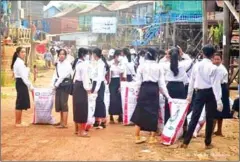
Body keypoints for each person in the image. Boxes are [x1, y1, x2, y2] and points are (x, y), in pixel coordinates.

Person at [181, 44, 223, 149]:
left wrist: (189, 96)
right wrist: (219, 100)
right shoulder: (214, 68)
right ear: (213, 55)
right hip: (211, 93)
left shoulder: (196, 65)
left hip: (199, 93)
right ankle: (207, 143)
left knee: (195, 116)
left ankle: (186, 142)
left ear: (202, 53)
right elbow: (216, 85)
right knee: (210, 118)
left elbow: (191, 81)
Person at [130, 48, 171, 144]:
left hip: (144, 89)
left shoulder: (141, 66)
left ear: (146, 56)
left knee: (140, 111)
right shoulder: (158, 67)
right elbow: (161, 84)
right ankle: (152, 137)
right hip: (154, 89)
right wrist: (167, 96)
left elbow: (138, 82)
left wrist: (136, 92)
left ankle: (137, 136)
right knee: (153, 112)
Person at [162, 47, 189, 136]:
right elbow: (190, 61)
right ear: (179, 55)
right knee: (181, 108)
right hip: (180, 87)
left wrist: (166, 56)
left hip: (169, 87)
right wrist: (182, 54)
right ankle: (184, 130)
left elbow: (160, 63)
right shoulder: (183, 64)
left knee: (168, 108)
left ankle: (167, 130)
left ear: (169, 55)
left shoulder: (165, 65)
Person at [11, 47, 34, 127]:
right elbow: (24, 77)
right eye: (22, 52)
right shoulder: (19, 63)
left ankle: (19, 121)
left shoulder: (20, 62)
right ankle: (18, 122)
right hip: (21, 82)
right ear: (18, 53)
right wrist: (30, 86)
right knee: (20, 102)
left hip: (21, 82)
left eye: (24, 52)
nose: (24, 53)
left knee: (20, 101)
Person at [73, 48, 91, 137]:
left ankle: (77, 129)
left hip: (77, 86)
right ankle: (81, 131)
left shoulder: (78, 62)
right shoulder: (83, 65)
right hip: (81, 87)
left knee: (77, 107)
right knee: (82, 108)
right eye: (87, 54)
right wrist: (88, 89)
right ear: (84, 55)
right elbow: (85, 78)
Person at [51, 49, 72, 128]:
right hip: (59, 85)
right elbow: (55, 75)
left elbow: (63, 76)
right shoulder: (58, 63)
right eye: (60, 54)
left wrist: (56, 84)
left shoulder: (67, 64)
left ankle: (64, 123)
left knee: (64, 103)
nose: (61, 55)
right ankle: (61, 121)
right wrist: (53, 84)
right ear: (58, 55)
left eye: (63, 54)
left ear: (65, 56)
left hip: (64, 86)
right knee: (59, 103)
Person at [212, 53, 232, 136]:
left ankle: (212, 131)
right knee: (219, 111)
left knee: (216, 110)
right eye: (215, 59)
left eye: (218, 59)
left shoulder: (220, 69)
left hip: (220, 88)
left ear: (221, 60)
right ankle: (218, 131)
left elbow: (217, 82)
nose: (216, 61)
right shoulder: (217, 68)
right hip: (221, 88)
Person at [91, 48, 109, 129]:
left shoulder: (101, 63)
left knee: (100, 101)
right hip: (95, 83)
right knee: (95, 102)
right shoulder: (96, 62)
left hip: (99, 84)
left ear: (95, 54)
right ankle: (97, 120)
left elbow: (100, 77)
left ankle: (103, 121)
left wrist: (96, 89)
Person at [108, 50, 124, 124]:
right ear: (115, 56)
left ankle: (120, 116)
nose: (119, 57)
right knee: (112, 99)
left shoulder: (122, 64)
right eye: (118, 56)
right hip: (112, 82)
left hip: (119, 81)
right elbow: (109, 75)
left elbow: (121, 76)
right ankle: (111, 116)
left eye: (120, 56)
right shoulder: (110, 63)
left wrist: (121, 85)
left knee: (119, 99)